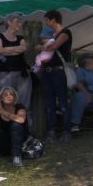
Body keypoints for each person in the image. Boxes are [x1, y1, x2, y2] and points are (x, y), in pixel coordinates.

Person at [38, 10, 74, 141]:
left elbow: (54, 46)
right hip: (47, 71)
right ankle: (52, 130)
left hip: (59, 71)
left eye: (47, 20)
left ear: (54, 20)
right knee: (50, 103)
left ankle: (67, 131)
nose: (46, 23)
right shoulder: (50, 35)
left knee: (63, 102)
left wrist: (41, 47)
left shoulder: (65, 32)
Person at [0, 16, 31, 119]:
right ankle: (8, 125)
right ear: (9, 22)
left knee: (24, 102)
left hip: (22, 73)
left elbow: (24, 48)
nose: (20, 24)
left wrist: (7, 50)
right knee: (6, 101)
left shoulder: (20, 38)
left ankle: (23, 124)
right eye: (17, 21)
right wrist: (16, 49)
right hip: (6, 73)